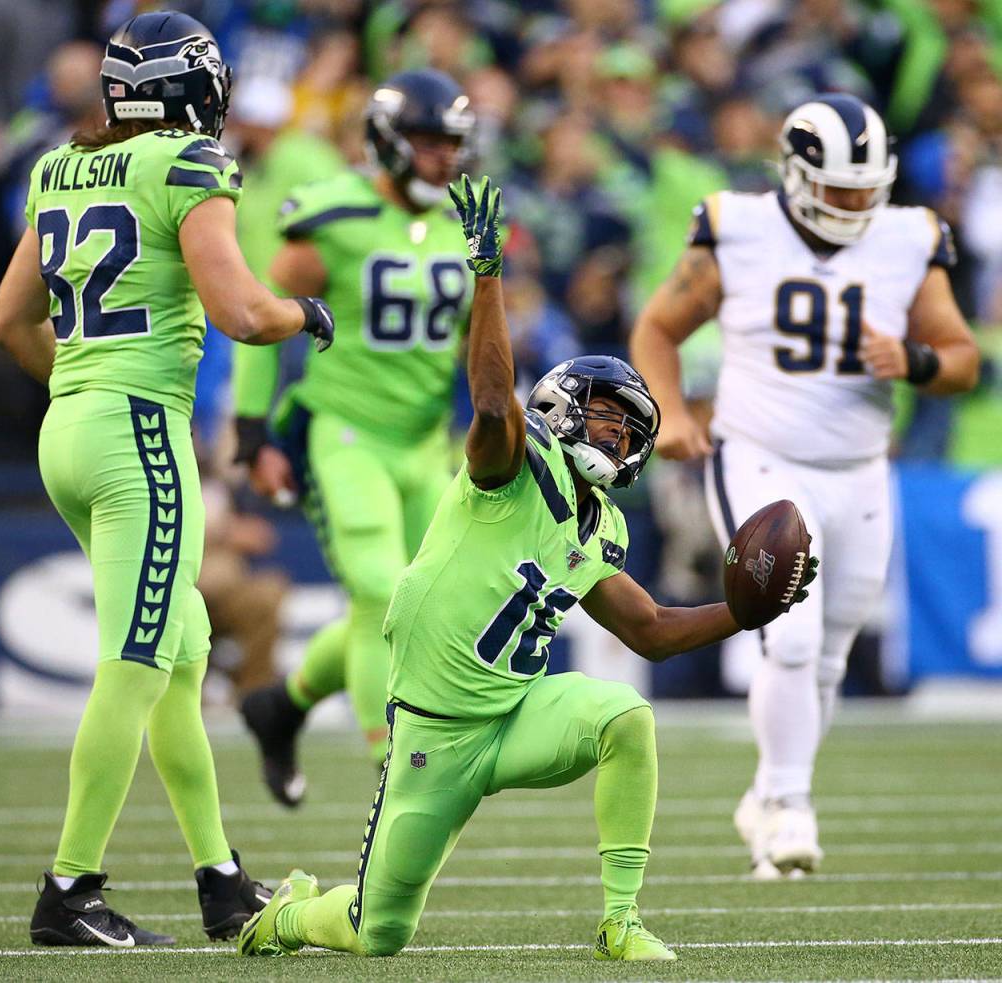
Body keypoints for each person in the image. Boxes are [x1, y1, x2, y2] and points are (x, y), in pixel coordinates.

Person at [236, 174, 815, 963]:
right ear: (562, 408)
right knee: (379, 933)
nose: (617, 441)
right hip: (434, 735)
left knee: (625, 717)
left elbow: (647, 628)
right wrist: (488, 276)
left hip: (515, 714)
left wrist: (747, 612)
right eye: (607, 419)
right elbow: (489, 399)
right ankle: (290, 914)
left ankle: (621, 918)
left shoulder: (600, 522)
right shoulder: (515, 459)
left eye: (628, 432)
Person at [0, 11, 334, 946]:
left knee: (179, 654)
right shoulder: (185, 164)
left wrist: (81, 381)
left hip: (71, 429)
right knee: (138, 663)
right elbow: (240, 311)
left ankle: (221, 879)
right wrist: (305, 312)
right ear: (196, 87)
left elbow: (8, 324)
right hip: (139, 432)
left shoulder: (59, 165)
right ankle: (70, 889)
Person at [629, 93, 980, 879]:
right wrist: (672, 411)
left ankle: (769, 792)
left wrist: (914, 361)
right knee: (786, 633)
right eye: (841, 189)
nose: (857, 205)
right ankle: (789, 805)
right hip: (760, 453)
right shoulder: (739, 227)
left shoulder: (905, 236)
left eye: (868, 188)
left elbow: (961, 357)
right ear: (795, 175)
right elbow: (657, 328)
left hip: (859, 467)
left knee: (827, 656)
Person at [235, 69, 476, 805]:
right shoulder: (333, 216)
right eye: (427, 142)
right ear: (389, 142)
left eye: (451, 143)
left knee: (431, 603)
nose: (442, 158)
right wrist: (253, 433)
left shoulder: (468, 224)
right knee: (380, 590)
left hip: (426, 440)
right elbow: (263, 317)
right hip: (344, 432)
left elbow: (482, 337)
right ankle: (396, 768)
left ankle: (281, 704)